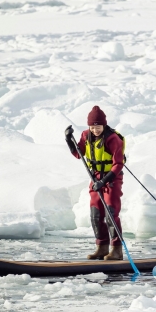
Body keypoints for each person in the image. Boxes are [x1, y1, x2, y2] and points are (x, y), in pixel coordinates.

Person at [64, 106, 126, 261]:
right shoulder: (86, 135)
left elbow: (118, 164)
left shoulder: (113, 139)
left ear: (103, 125)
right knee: (95, 214)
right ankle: (102, 247)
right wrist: (69, 140)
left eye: (98, 127)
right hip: (95, 177)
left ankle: (117, 250)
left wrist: (104, 181)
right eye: (92, 127)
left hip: (112, 178)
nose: (95, 130)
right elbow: (79, 154)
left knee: (111, 213)